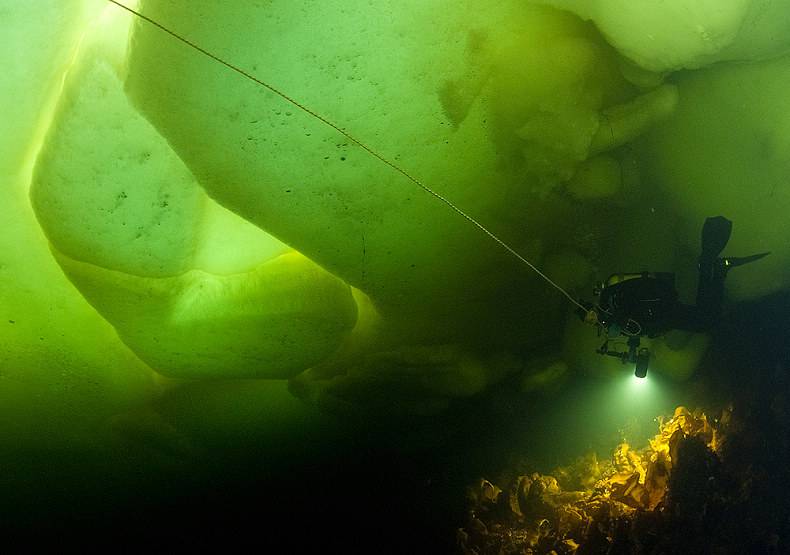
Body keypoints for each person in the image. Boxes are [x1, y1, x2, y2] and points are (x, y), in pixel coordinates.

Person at [577, 216, 769, 366]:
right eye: (589, 321)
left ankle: (716, 268)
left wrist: (617, 322)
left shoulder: (610, 304)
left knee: (706, 321)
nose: (592, 320)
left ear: (592, 308)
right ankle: (713, 267)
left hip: (665, 312)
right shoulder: (608, 311)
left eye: (590, 316)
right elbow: (636, 326)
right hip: (665, 315)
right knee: (706, 319)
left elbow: (633, 318)